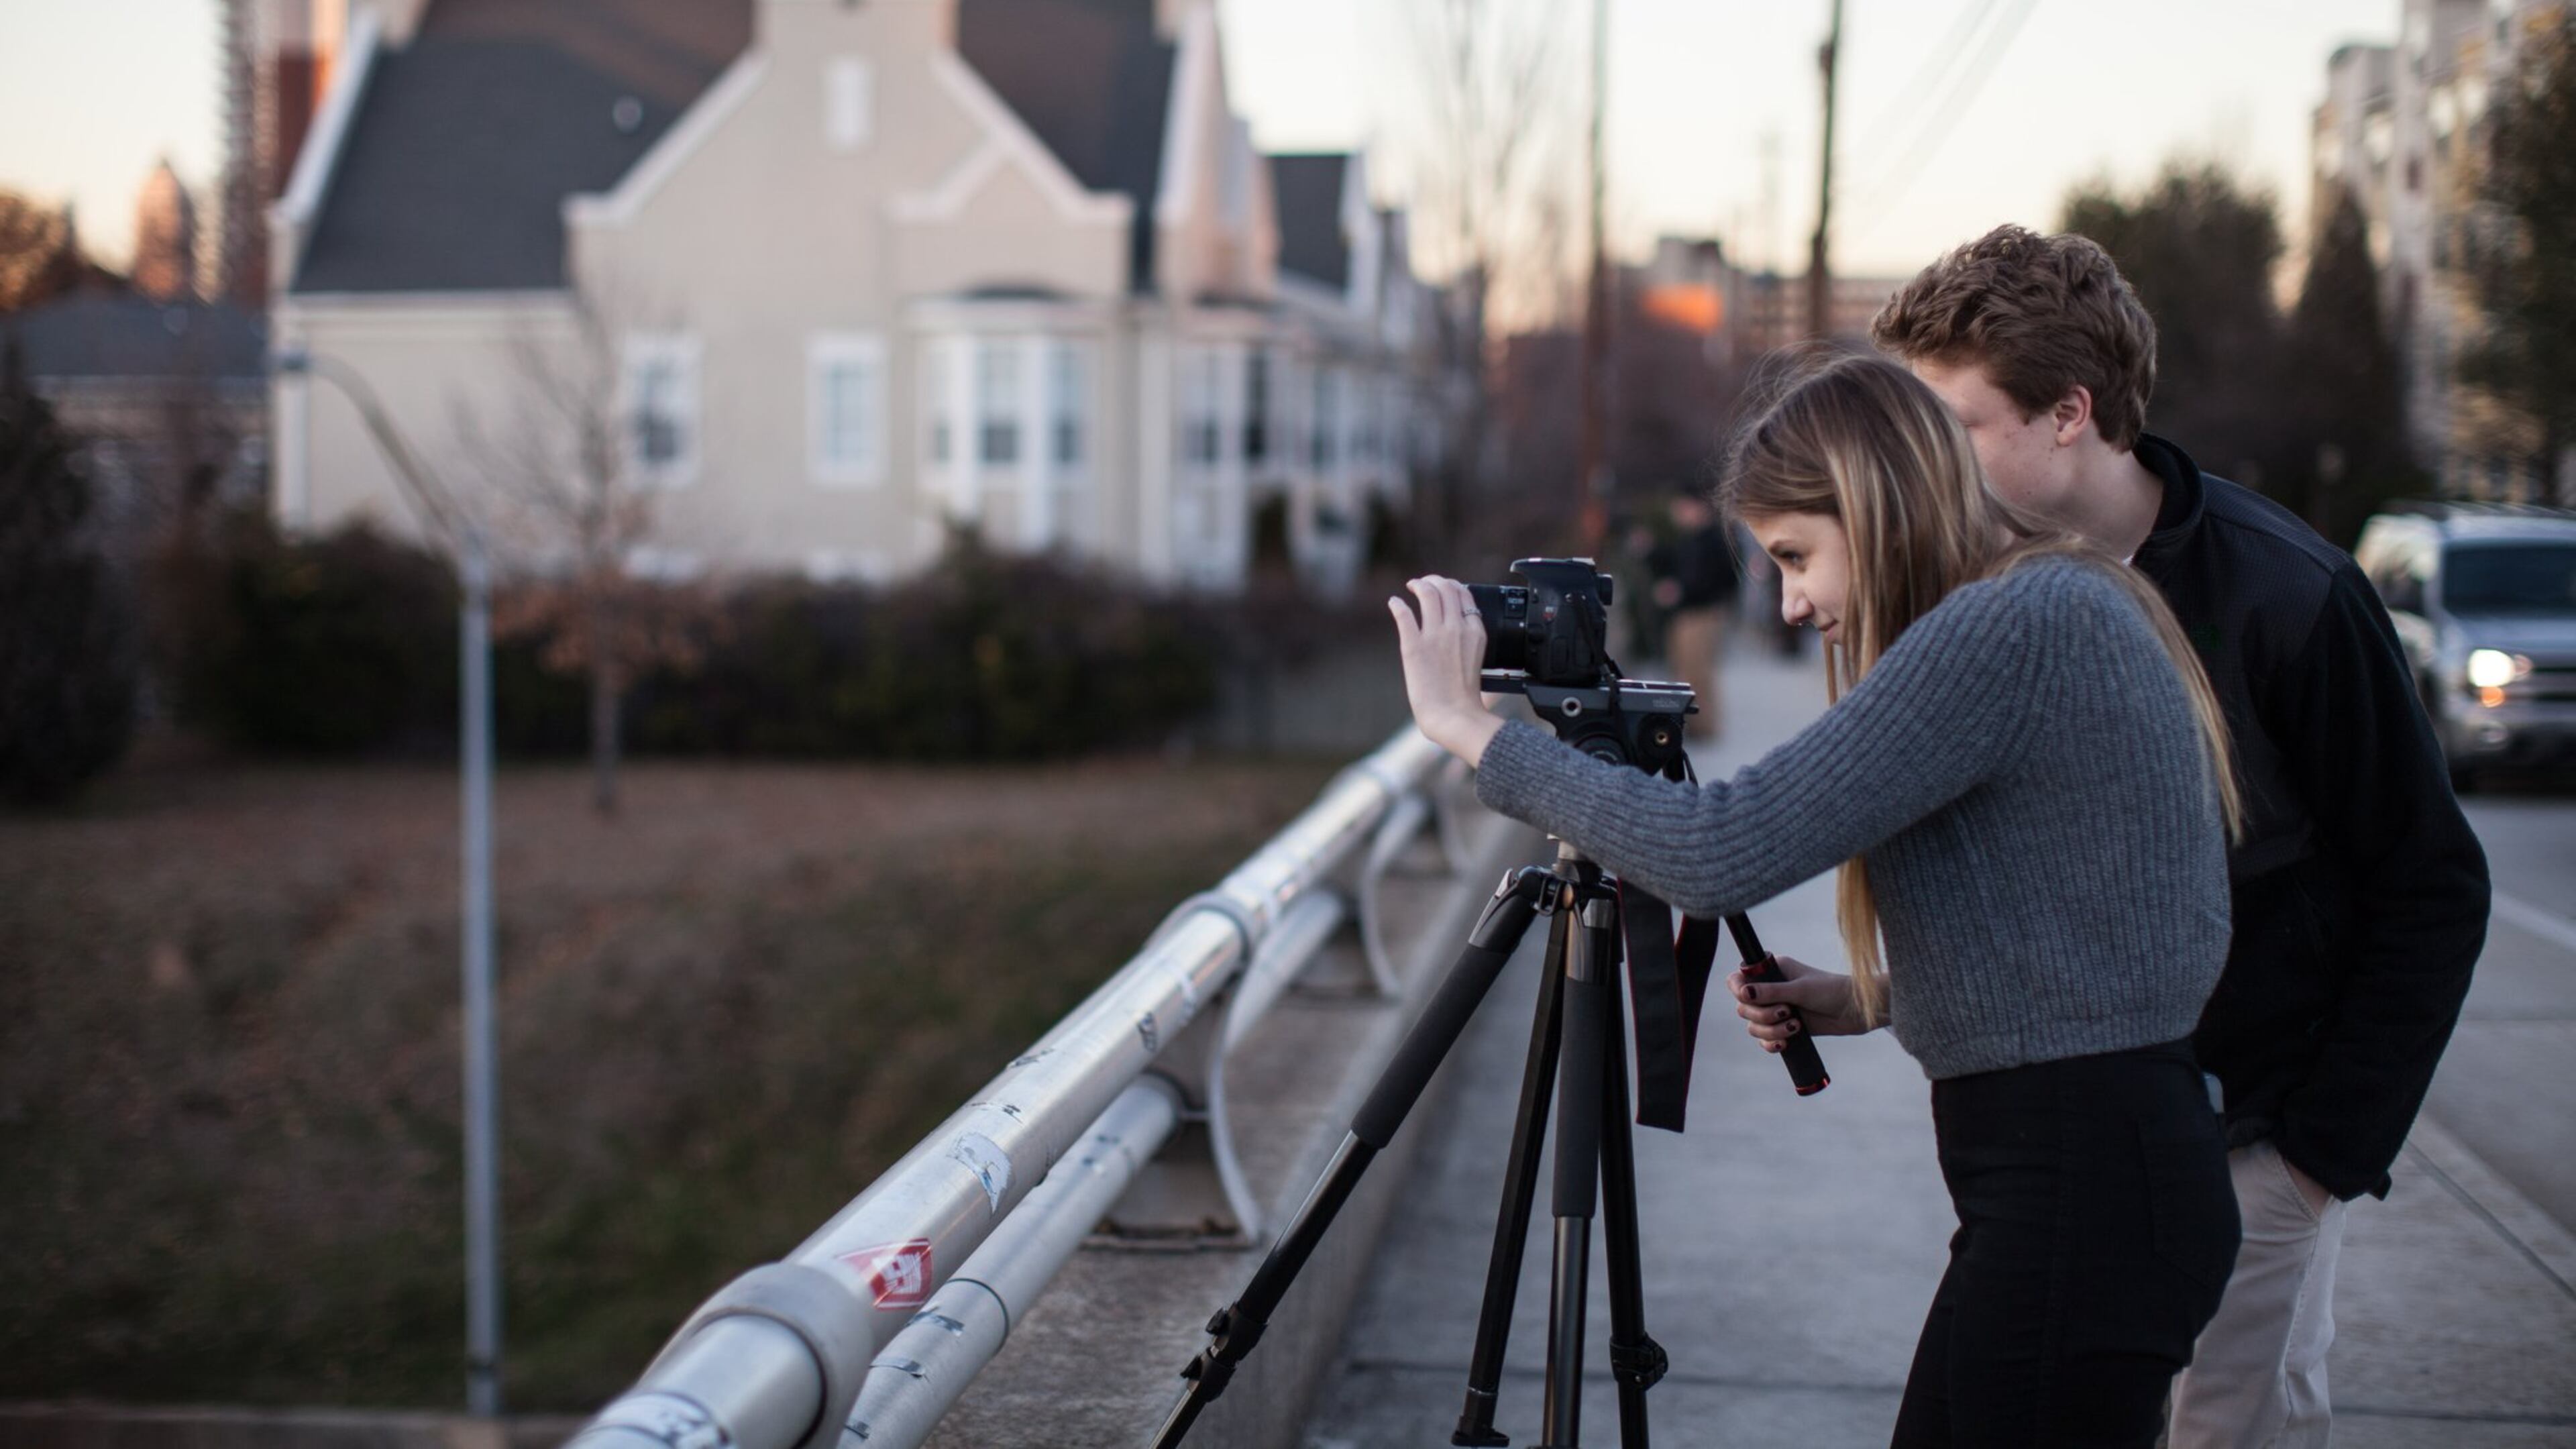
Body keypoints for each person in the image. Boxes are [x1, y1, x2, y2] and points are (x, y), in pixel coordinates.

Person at [1391, 354, 2245, 1448]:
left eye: (1797, 556)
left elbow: (1717, 851)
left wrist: (1470, 729)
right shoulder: (2066, 598)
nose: (1791, 602)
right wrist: (1877, 995)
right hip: (2100, 1176)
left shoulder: (2009, 626)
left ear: (1875, 503)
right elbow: (2115, 911)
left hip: (2080, 1189)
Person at [1870, 225, 2491, 1448]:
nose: (1927, 462)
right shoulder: (1968, 592)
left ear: (2070, 413)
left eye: (1958, 423)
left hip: (2254, 1138)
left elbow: (2432, 886)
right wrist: (1876, 992)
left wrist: (2317, 1161)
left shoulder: (2289, 593)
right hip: (2067, 1151)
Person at [1651, 491, 1741, 740]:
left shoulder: (1713, 539)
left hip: (1702, 613)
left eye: (1682, 509)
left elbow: (1719, 579)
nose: (1678, 515)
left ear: (1698, 508)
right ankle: (1693, 725)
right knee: (1685, 670)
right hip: (1688, 613)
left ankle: (1703, 728)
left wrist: (1681, 591)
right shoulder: (1691, 539)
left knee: (1697, 672)